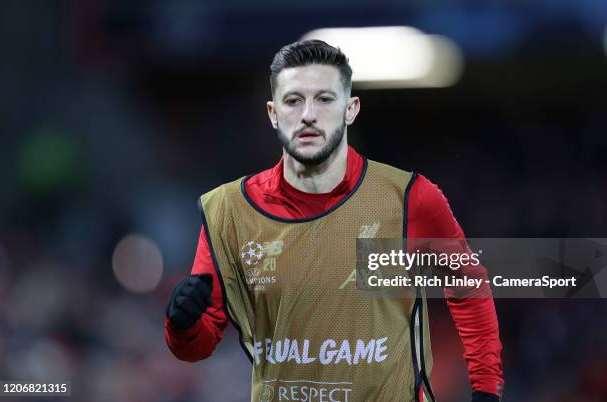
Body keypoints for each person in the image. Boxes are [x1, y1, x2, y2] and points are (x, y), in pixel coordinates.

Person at [165, 40, 504, 402]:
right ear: (273, 113)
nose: (308, 114)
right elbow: (197, 347)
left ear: (350, 109)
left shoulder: (409, 200)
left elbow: (469, 287)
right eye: (293, 100)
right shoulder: (228, 212)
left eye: (324, 99)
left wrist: (486, 388)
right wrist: (181, 324)